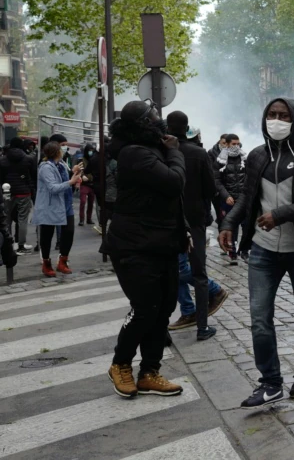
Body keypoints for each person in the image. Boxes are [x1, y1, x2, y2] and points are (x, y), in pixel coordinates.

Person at [219, 98, 294, 408]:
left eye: (283, 115)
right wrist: (229, 223)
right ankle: (270, 382)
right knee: (259, 318)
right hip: (263, 250)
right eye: (272, 114)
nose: (277, 120)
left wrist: (280, 214)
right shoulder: (257, 156)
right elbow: (246, 196)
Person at [105, 101, 188, 399]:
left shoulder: (150, 149)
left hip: (161, 242)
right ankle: (120, 364)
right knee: (145, 307)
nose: (159, 119)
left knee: (164, 307)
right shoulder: (134, 152)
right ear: (142, 123)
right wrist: (175, 151)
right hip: (133, 245)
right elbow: (174, 183)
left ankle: (150, 372)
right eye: (153, 116)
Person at [165, 111, 227, 340]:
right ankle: (202, 327)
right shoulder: (199, 153)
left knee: (167, 273)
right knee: (199, 274)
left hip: (167, 221)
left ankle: (165, 331)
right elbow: (211, 189)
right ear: (186, 128)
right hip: (194, 220)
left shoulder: (160, 152)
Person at [32, 142, 80, 277]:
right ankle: (46, 263)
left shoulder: (62, 164)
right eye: (61, 148)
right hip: (50, 206)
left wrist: (74, 173)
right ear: (56, 152)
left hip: (66, 203)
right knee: (47, 234)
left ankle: (63, 260)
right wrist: (70, 182)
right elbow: (52, 187)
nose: (63, 150)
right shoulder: (45, 167)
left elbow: (66, 177)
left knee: (69, 232)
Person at [0, 138, 36, 254]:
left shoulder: (3, 160)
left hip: (7, 193)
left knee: (7, 219)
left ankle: (9, 244)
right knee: (22, 219)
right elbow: (33, 176)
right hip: (24, 192)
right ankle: (21, 245)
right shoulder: (29, 159)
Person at [215, 134, 246, 264]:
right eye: (233, 144)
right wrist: (226, 196)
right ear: (227, 144)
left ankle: (244, 250)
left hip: (243, 198)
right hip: (229, 199)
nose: (236, 146)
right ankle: (232, 253)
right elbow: (217, 181)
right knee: (231, 226)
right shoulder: (220, 160)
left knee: (247, 225)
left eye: (238, 144)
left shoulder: (245, 158)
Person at [77, 143, 98, 226]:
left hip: (92, 184)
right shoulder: (81, 160)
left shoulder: (94, 159)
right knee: (83, 201)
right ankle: (81, 219)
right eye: (89, 150)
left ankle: (89, 219)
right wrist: (82, 176)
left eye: (92, 150)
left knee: (91, 202)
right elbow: (79, 170)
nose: (91, 152)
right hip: (84, 184)